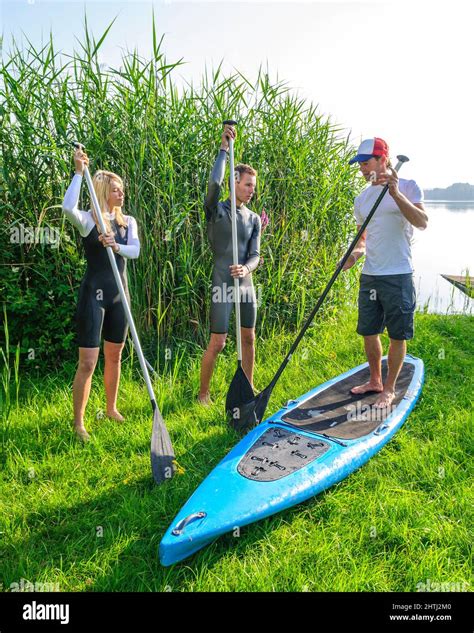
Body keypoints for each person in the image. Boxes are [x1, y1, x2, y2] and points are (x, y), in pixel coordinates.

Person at [343, 137, 428, 408]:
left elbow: (422, 222)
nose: (362, 169)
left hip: (398, 274)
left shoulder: (409, 187)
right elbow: (362, 238)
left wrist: (396, 194)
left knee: (397, 335)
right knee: (369, 331)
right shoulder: (363, 198)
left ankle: (389, 389)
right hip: (371, 275)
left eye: (366, 163)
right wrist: (355, 254)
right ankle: (375, 380)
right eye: (359, 165)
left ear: (383, 160)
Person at [62, 148, 140, 440]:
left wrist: (116, 246)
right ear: (105, 191)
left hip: (120, 295)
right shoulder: (87, 220)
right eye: (117, 190)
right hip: (94, 295)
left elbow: (135, 251)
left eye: (122, 190)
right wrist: (79, 173)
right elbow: (67, 208)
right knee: (88, 362)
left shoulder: (126, 222)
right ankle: (79, 422)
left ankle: (111, 408)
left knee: (115, 355)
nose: (122, 194)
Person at [198, 123, 262, 403]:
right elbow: (213, 185)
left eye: (253, 186)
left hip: (245, 283)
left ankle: (247, 388)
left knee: (248, 338)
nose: (251, 190)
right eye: (247, 184)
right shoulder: (217, 210)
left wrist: (246, 268)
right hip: (222, 282)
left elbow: (256, 255)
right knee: (219, 342)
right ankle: (203, 393)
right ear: (234, 182)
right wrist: (224, 149)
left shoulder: (253, 219)